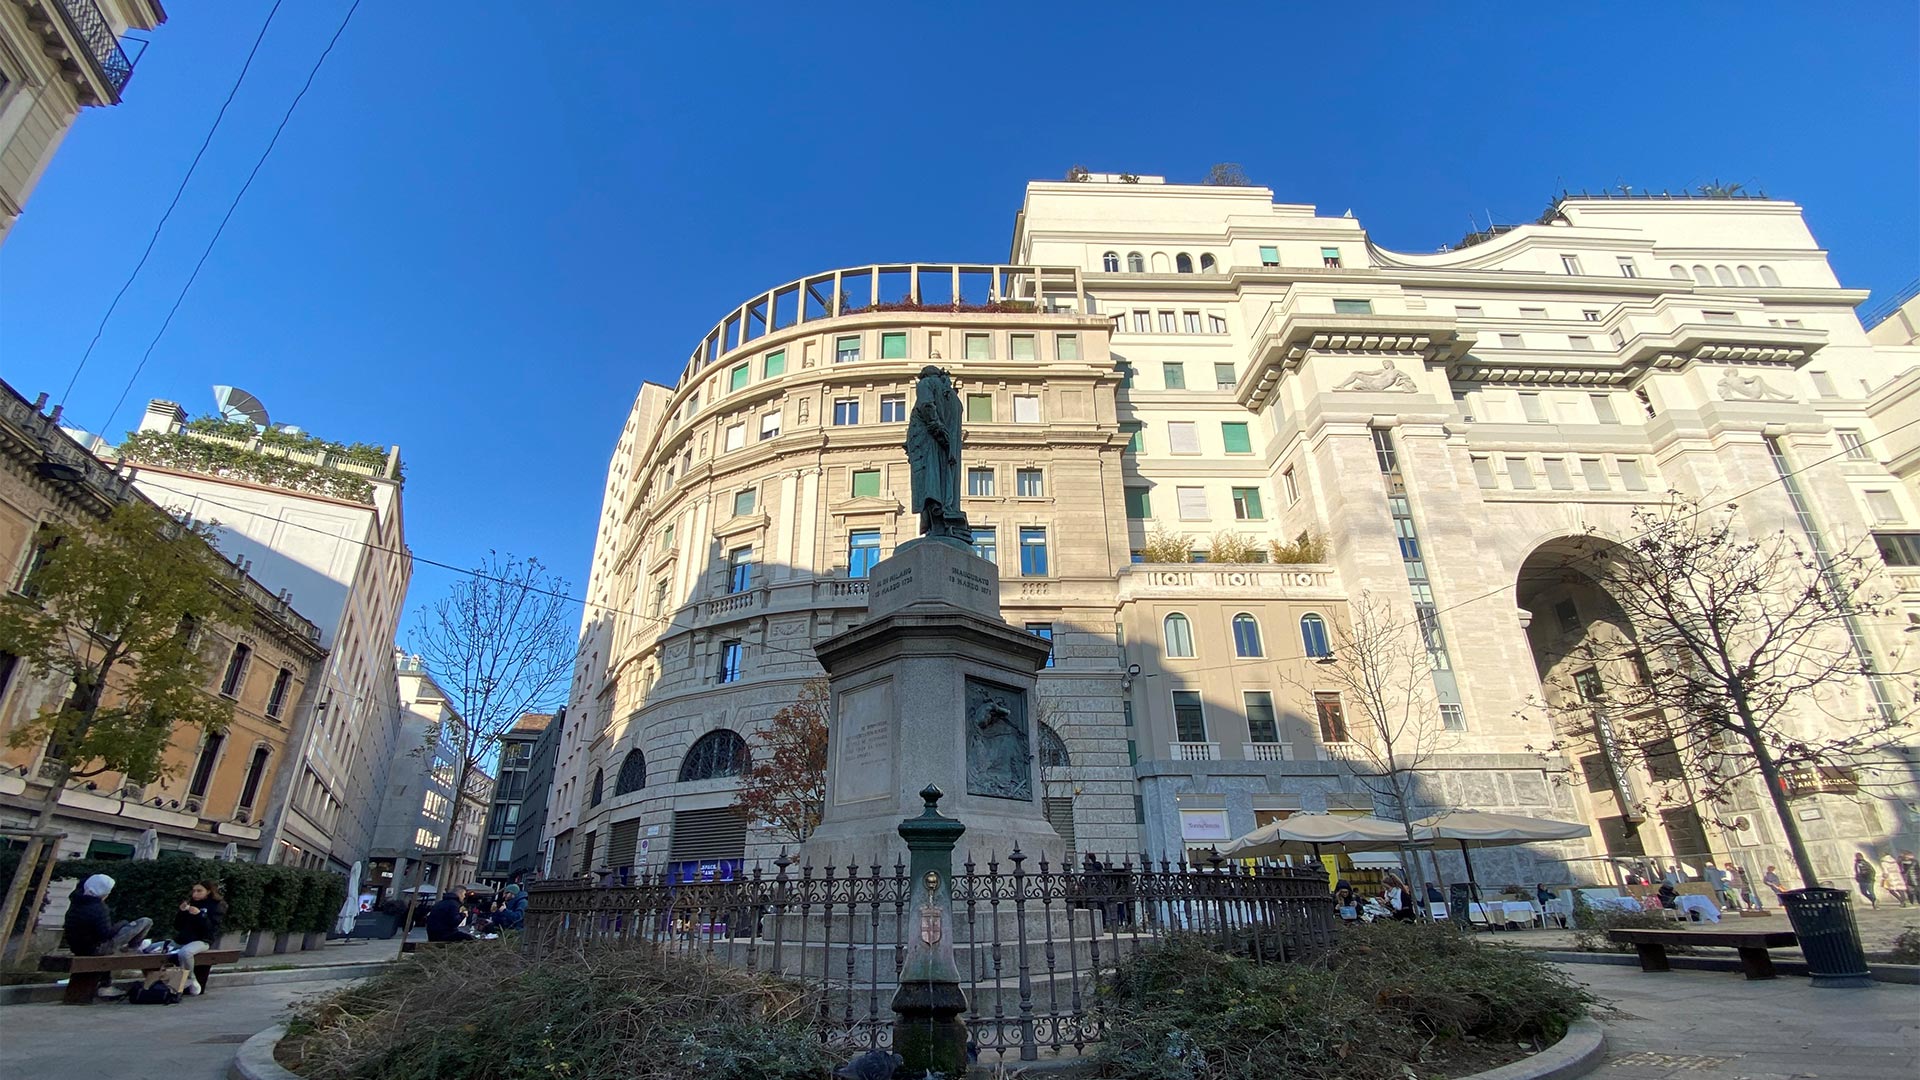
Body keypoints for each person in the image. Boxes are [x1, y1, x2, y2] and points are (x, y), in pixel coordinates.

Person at [62, 874, 153, 1000]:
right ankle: (133, 948)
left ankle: (105, 983)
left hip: (78, 947)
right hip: (96, 948)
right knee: (146, 921)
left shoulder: (76, 902)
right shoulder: (99, 908)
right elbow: (104, 934)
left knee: (107, 952)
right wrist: (121, 925)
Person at [172, 879, 225, 995]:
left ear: (208, 891)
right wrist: (181, 912)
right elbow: (178, 926)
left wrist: (201, 915)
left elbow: (211, 928)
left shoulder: (216, 906)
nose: (195, 894)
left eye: (199, 891)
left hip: (202, 940)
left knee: (185, 953)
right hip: (183, 939)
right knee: (154, 948)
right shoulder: (191, 903)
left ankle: (191, 980)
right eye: (194, 891)